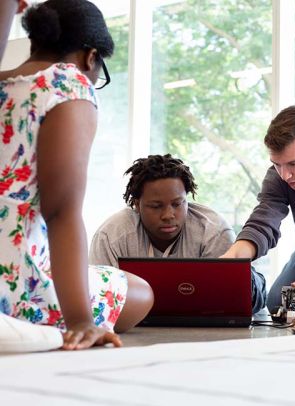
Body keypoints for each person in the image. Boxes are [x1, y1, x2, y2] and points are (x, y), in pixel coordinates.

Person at [0, 0, 153, 352]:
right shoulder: (67, 84)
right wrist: (81, 322)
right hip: (17, 278)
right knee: (142, 293)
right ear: (91, 57)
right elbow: (60, 211)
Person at [89, 154, 266, 313]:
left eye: (177, 204)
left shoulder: (213, 231)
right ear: (136, 204)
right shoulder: (110, 236)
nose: (168, 215)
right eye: (156, 206)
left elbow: (227, 301)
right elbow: (99, 300)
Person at [221, 106, 295, 313]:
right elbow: (263, 221)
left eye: (294, 163)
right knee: (279, 303)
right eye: (277, 164)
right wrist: (231, 260)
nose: (285, 175)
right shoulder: (278, 177)